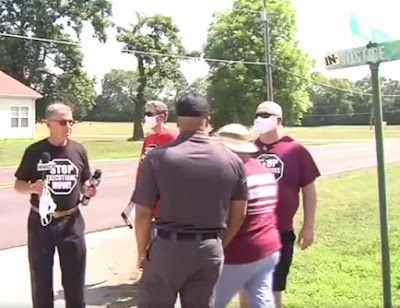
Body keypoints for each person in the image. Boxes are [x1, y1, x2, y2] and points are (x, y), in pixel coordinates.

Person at [130, 91, 248, 308]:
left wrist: (142, 251)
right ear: (208, 121)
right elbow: (239, 215)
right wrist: (219, 243)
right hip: (209, 248)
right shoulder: (232, 161)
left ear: (177, 121)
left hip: (167, 248)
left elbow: (143, 214)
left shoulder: (157, 158)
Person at [14, 103, 97, 308]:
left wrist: (88, 190)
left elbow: (84, 181)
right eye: (62, 122)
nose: (68, 125)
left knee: (75, 280)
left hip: (71, 222)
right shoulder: (35, 151)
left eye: (71, 121)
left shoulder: (78, 150)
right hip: (41, 223)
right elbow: (18, 185)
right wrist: (32, 188)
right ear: (48, 123)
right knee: (41, 279)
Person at [240, 101, 320, 308]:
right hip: (247, 232)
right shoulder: (247, 150)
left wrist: (309, 226)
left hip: (280, 233)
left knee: (274, 289)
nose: (260, 118)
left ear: (279, 120)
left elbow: (309, 189)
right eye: (258, 114)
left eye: (266, 115)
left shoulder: (295, 150)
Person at [213, 124, 281, 308]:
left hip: (240, 251)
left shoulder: (234, 175)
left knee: (208, 301)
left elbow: (232, 217)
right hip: (269, 247)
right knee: (261, 299)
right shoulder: (262, 170)